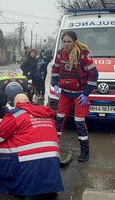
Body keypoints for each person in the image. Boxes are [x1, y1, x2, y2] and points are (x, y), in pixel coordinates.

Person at [0, 93, 64, 199]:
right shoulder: (46, 113)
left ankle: (15, 186)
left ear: (16, 104)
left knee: (2, 145)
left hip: (27, 161)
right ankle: (48, 191)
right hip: (52, 158)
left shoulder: (15, 114)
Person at [51, 31, 98, 162]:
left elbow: (93, 74)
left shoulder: (83, 55)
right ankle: (54, 147)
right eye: (64, 41)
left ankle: (85, 151)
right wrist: (54, 84)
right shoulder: (60, 53)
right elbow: (55, 70)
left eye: (69, 41)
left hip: (79, 94)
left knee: (79, 122)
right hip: (65, 92)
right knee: (59, 120)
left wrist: (85, 93)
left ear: (74, 42)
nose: (66, 44)